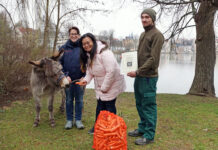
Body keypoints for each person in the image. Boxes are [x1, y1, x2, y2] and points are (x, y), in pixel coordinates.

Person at [127, 8, 164, 145]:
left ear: (153, 19)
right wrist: (130, 64)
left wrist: (137, 71)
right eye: (142, 17)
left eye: (147, 17)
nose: (144, 19)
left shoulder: (157, 35)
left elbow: (154, 60)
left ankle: (149, 135)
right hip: (140, 76)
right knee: (140, 103)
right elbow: (140, 55)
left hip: (149, 77)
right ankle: (142, 129)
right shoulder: (143, 34)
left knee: (148, 105)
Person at [79, 33, 126, 134]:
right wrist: (85, 80)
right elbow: (90, 72)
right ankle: (98, 127)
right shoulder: (89, 55)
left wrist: (104, 88)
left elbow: (111, 71)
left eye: (88, 42)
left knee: (109, 107)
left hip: (112, 84)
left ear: (93, 41)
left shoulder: (105, 53)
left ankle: (112, 129)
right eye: (84, 44)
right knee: (100, 106)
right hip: (101, 85)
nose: (86, 45)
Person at [59, 26, 85, 129]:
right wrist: (65, 76)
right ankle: (69, 120)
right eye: (72, 34)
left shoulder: (82, 48)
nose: (74, 35)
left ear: (78, 35)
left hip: (79, 80)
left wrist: (84, 77)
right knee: (69, 100)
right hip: (68, 80)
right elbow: (59, 64)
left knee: (79, 100)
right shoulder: (63, 48)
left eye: (75, 34)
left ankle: (78, 120)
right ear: (69, 35)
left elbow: (87, 64)